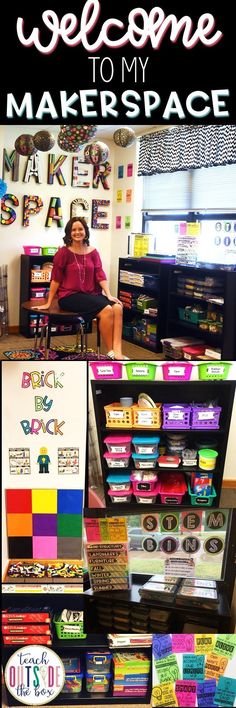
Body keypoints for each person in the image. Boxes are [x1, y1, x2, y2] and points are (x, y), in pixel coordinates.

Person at [35, 216, 128, 360]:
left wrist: (108, 294)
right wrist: (48, 302)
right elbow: (56, 279)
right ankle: (111, 352)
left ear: (85, 231)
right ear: (69, 233)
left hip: (91, 294)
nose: (77, 232)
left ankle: (118, 350)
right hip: (69, 296)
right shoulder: (63, 252)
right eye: (74, 230)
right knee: (107, 310)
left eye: (80, 229)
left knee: (117, 307)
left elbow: (100, 274)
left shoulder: (93, 251)